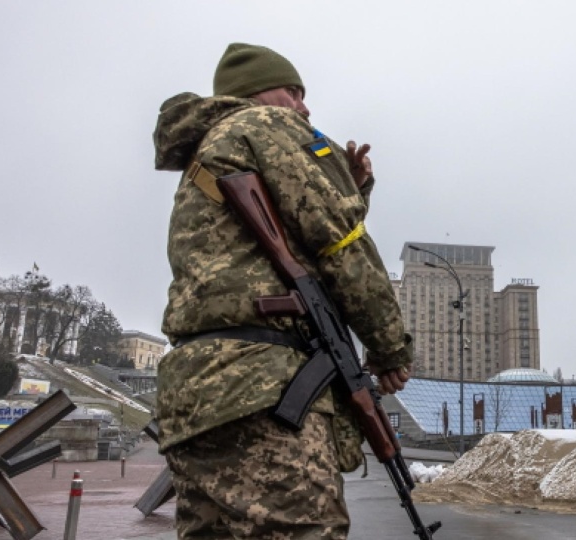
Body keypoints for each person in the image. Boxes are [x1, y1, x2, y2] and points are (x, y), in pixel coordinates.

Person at [152, 43, 412, 539]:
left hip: (193, 400)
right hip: (263, 392)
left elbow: (279, 244)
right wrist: (389, 347)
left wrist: (351, 191)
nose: (304, 107)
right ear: (256, 93)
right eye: (293, 92)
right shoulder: (268, 126)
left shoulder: (204, 155)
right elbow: (340, 242)